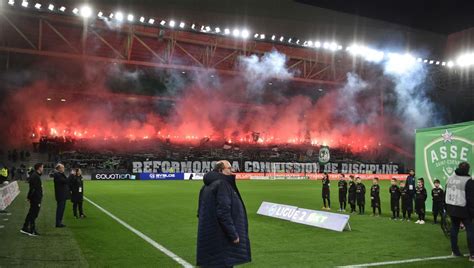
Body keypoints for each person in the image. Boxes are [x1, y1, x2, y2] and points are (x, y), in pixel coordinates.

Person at [196, 160, 251, 267]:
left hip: (210, 236)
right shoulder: (222, 184)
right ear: (221, 170)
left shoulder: (206, 186)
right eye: (229, 168)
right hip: (222, 237)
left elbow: (200, 212)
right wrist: (233, 234)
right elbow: (223, 212)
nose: (232, 171)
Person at [445, 162, 473, 261]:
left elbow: (446, 193)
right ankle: (472, 255)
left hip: (452, 208)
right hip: (463, 209)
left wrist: (446, 208)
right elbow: (470, 199)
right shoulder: (468, 181)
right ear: (468, 169)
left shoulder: (450, 178)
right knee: (470, 230)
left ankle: (455, 251)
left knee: (454, 229)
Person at [20, 163, 43, 236]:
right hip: (35, 198)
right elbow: (32, 189)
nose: (43, 168)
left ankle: (25, 228)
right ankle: (31, 230)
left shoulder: (35, 175)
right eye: (42, 167)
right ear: (39, 168)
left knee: (31, 213)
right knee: (33, 214)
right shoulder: (35, 176)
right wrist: (29, 197)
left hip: (35, 198)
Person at [53, 163, 69, 228]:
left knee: (61, 209)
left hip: (62, 195)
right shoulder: (57, 175)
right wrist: (71, 175)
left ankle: (59, 222)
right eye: (62, 167)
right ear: (59, 168)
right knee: (60, 209)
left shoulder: (60, 174)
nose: (64, 168)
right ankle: (58, 223)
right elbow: (65, 181)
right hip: (60, 195)